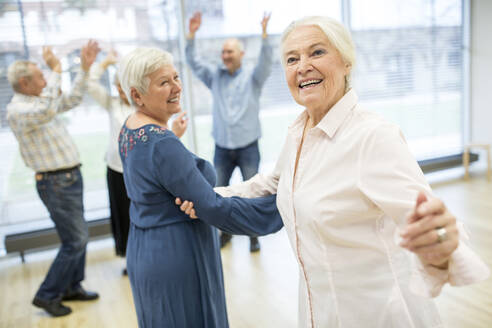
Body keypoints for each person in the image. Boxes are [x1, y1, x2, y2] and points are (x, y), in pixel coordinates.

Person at [176, 16, 490, 327]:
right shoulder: (299, 131)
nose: (302, 66)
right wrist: (208, 196)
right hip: (318, 309)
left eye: (317, 52)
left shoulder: (372, 136)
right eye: (291, 58)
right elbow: (272, 182)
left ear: (346, 62)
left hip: (377, 314)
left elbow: (428, 222)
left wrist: (441, 243)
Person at [117, 47, 283, 327]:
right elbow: (213, 207)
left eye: (176, 77)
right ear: (137, 95)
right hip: (178, 250)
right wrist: (280, 205)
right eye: (164, 83)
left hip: (145, 247)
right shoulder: (162, 143)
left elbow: (155, 176)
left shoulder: (130, 130)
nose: (177, 87)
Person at [6, 41, 101, 317]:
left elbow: (71, 100)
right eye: (40, 76)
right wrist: (58, 69)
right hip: (55, 183)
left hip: (69, 178)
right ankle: (47, 295)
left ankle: (72, 286)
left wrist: (84, 69)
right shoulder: (19, 110)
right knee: (76, 240)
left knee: (78, 236)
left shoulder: (39, 102)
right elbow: (49, 108)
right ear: (24, 83)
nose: (46, 79)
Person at [185, 12, 274, 251]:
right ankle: (225, 233)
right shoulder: (215, 77)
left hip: (248, 147)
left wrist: (265, 36)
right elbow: (192, 62)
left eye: (229, 52)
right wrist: (191, 35)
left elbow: (266, 62)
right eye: (223, 52)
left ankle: (254, 236)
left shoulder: (253, 79)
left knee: (253, 195)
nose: (225, 56)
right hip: (222, 148)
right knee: (218, 195)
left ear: (241, 55)